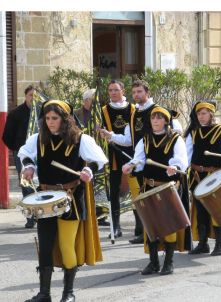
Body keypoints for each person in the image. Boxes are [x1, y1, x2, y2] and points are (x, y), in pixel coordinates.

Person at [18, 100, 108, 302]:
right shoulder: (38, 139)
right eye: (47, 118)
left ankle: (69, 293)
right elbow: (25, 155)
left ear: (65, 119)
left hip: (72, 198)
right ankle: (44, 293)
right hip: (45, 199)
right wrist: (30, 166)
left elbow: (99, 160)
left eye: (55, 118)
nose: (50, 122)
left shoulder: (80, 139)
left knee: (67, 245)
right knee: (46, 245)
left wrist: (88, 170)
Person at [101, 79, 183, 244]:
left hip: (162, 164)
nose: (136, 95)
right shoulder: (133, 114)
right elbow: (128, 139)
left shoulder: (159, 110)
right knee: (144, 199)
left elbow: (178, 130)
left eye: (140, 92)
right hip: (141, 164)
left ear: (148, 92)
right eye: (134, 92)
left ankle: (166, 241)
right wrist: (111, 136)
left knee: (163, 204)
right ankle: (146, 231)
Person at [122, 106, 190, 275]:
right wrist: (131, 165)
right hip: (148, 187)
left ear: (166, 121)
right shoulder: (145, 139)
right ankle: (153, 262)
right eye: (153, 118)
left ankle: (169, 262)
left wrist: (174, 167)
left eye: (159, 118)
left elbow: (181, 160)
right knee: (150, 226)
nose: (155, 121)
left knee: (169, 225)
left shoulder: (176, 139)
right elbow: (139, 159)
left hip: (168, 188)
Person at [185, 102, 221, 256]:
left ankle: (219, 244)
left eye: (204, 113)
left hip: (216, 176)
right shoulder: (193, 133)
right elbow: (186, 155)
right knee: (201, 210)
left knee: (217, 210)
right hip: (197, 176)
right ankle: (203, 243)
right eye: (199, 114)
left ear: (211, 115)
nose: (201, 116)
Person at [99, 80, 140, 239]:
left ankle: (139, 225)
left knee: (136, 190)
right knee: (114, 191)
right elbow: (96, 129)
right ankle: (116, 227)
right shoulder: (103, 110)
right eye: (110, 90)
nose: (113, 93)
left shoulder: (133, 109)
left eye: (116, 89)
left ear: (123, 90)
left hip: (132, 154)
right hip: (112, 155)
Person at [74, 88, 110, 227]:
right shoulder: (76, 114)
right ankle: (85, 212)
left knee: (100, 184)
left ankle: (101, 215)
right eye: (94, 100)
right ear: (86, 101)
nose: (96, 103)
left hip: (97, 153)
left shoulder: (100, 114)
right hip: (81, 154)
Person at [2, 85, 36, 228]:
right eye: (30, 96)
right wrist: (16, 149)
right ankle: (30, 217)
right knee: (26, 184)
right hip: (21, 154)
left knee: (41, 184)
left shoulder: (43, 113)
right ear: (25, 96)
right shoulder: (16, 114)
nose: (33, 99)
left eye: (36, 96)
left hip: (39, 153)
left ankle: (42, 213)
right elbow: (7, 136)